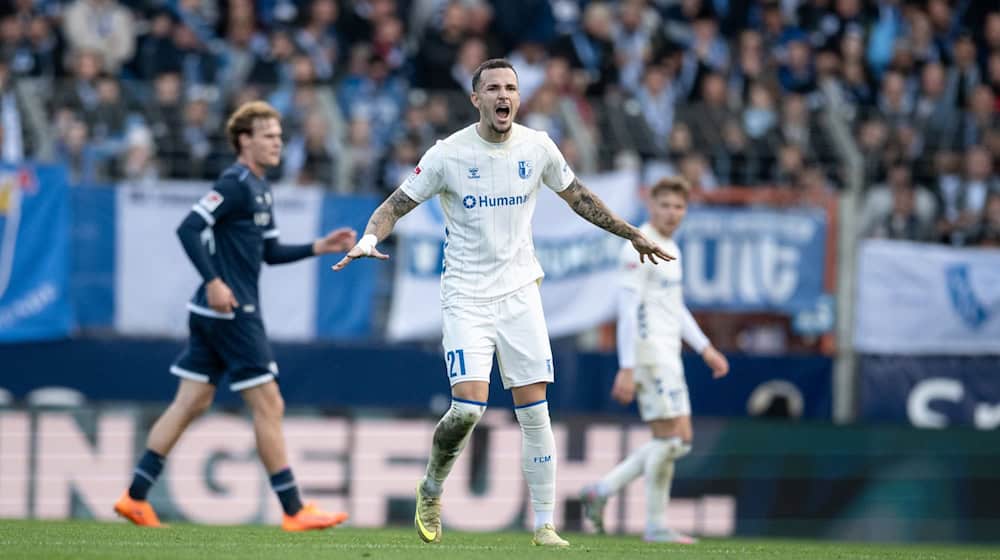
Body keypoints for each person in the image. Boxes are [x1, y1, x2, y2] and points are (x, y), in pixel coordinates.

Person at [332, 58, 674, 547]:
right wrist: (369, 237)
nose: (502, 95)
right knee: (468, 410)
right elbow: (395, 205)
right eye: (492, 88)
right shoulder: (448, 154)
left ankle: (544, 525)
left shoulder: (537, 147)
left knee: (535, 413)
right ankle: (432, 486)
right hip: (466, 296)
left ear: (518, 97)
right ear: (476, 99)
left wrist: (631, 233)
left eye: (510, 87)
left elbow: (578, 196)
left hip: (519, 294)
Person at [114, 101, 355, 531]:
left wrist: (319, 246)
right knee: (269, 403)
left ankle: (134, 497)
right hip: (231, 311)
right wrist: (213, 280)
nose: (278, 142)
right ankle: (294, 509)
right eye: (269, 135)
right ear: (245, 140)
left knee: (191, 401)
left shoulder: (261, 188)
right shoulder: (235, 183)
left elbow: (270, 252)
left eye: (280, 136)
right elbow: (188, 227)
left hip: (216, 310)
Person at [579, 177, 730, 543]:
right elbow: (628, 311)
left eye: (679, 207)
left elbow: (674, 308)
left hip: (668, 353)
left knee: (677, 440)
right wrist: (627, 367)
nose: (672, 213)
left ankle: (603, 492)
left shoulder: (668, 247)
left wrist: (705, 347)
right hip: (649, 353)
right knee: (676, 438)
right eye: (665, 205)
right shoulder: (637, 246)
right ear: (651, 206)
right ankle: (652, 522)